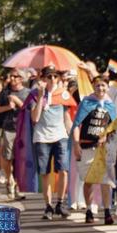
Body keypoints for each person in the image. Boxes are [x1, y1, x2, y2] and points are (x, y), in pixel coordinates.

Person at [28, 67, 76, 219]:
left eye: (56, 76)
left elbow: (67, 117)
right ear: (43, 78)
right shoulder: (35, 95)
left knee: (64, 170)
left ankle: (60, 203)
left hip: (60, 135)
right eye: (49, 76)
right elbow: (34, 118)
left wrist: (74, 138)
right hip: (42, 137)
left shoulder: (63, 94)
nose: (53, 79)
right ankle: (48, 205)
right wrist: (41, 98)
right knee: (45, 172)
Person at [73, 76, 117, 224]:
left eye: (103, 86)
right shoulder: (86, 103)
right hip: (87, 145)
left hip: (103, 148)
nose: (101, 88)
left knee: (105, 180)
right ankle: (89, 209)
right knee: (89, 180)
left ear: (108, 87)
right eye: (98, 85)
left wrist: (106, 137)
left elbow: (115, 127)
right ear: (93, 86)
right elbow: (76, 125)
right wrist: (76, 144)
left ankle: (107, 211)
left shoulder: (110, 105)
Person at [0, 72, 26, 199]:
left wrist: (17, 102)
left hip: (23, 130)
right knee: (7, 157)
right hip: (8, 128)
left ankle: (17, 185)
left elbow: (30, 109)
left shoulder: (27, 92)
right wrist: (7, 107)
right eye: (11, 76)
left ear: (21, 79)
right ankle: (9, 180)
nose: (12, 78)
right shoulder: (5, 92)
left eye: (15, 76)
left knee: (20, 159)